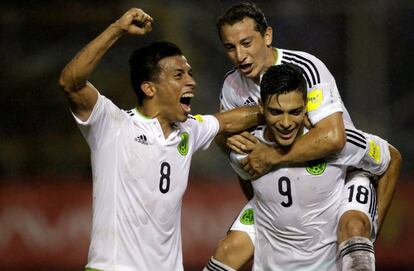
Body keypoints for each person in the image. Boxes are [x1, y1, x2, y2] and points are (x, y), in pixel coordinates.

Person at [58, 8, 262, 271]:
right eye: (179, 75)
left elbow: (229, 120)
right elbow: (71, 83)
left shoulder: (187, 129)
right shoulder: (114, 124)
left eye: (190, 73)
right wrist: (117, 29)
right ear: (149, 88)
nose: (192, 82)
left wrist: (280, 110)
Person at [204, 2, 400, 271]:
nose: (240, 55)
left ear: (268, 36)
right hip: (285, 185)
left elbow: (333, 137)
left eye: (247, 43)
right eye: (230, 47)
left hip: (339, 174)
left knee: (354, 227)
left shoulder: (305, 67)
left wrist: (270, 156)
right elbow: (233, 147)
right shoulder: (231, 86)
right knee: (228, 250)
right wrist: (233, 143)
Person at [228, 63, 401, 270]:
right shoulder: (246, 149)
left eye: (295, 112)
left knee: (355, 226)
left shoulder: (336, 142)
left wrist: (372, 230)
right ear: (262, 107)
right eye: (276, 112)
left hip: (331, 262)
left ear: (306, 107)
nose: (285, 123)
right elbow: (245, 177)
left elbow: (392, 158)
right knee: (227, 251)